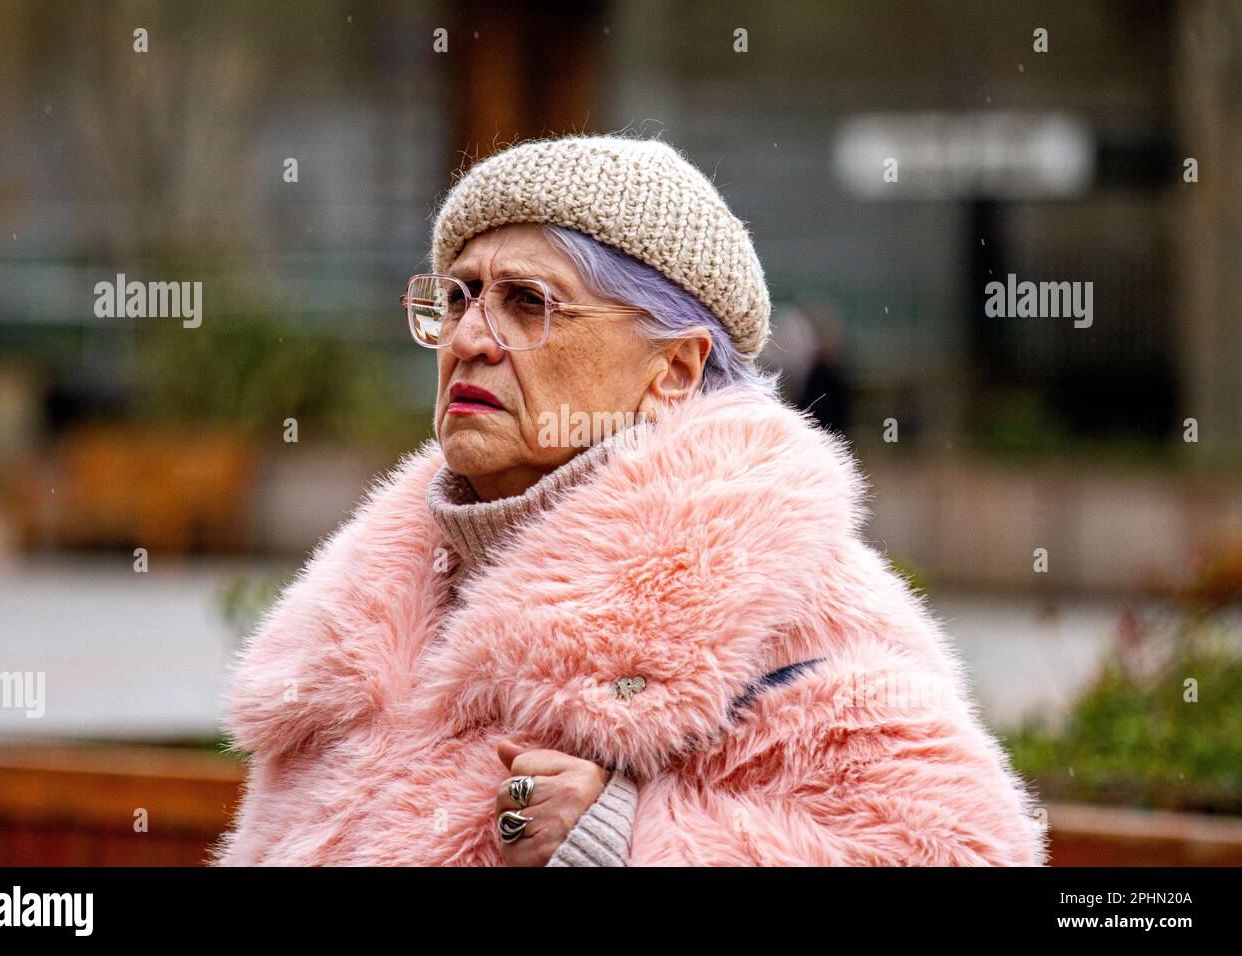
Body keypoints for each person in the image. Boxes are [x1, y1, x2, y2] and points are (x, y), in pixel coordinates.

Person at [211, 134, 1047, 866]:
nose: (468, 339)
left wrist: (625, 840)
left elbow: (964, 851)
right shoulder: (369, 614)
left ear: (673, 370)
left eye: (527, 303)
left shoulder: (786, 601)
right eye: (458, 297)